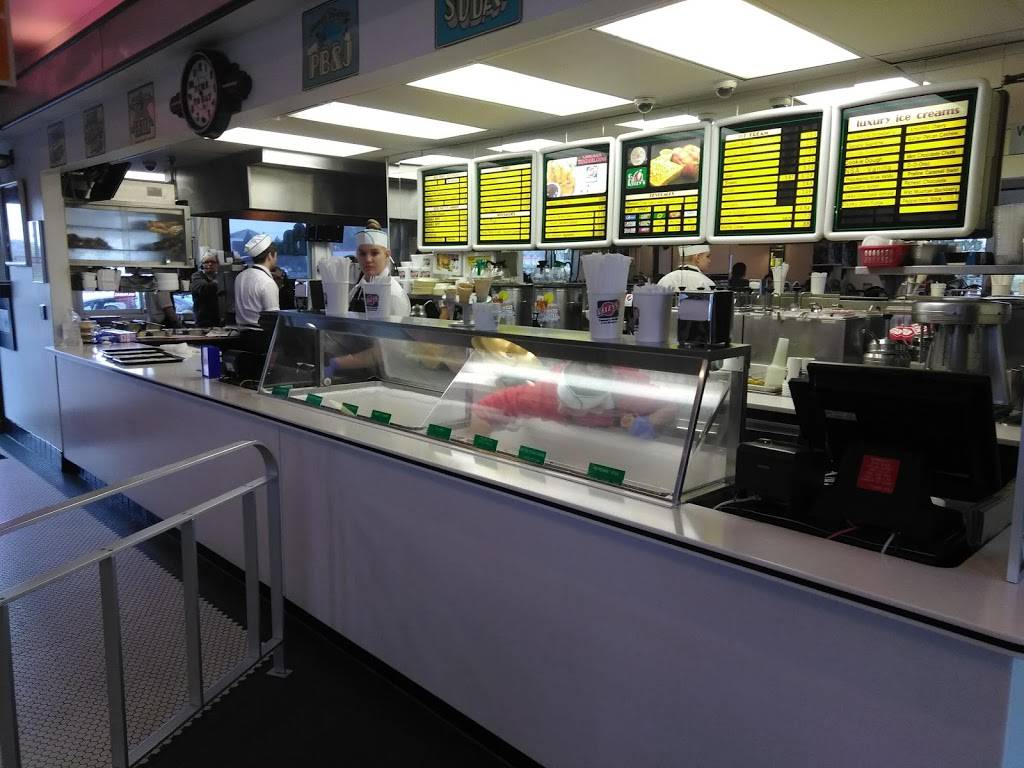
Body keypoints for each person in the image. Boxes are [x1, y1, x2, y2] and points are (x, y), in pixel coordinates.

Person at [347, 219, 412, 317]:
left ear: (387, 255)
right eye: (362, 253)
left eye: (374, 253)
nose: (368, 259)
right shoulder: (357, 289)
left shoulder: (393, 294)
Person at [234, 233, 280, 328]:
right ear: (270, 256)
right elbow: (272, 318)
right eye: (276, 255)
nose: (276, 259)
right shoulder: (267, 282)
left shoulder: (240, 277)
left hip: (242, 333)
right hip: (261, 333)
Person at [190, 253, 223, 327]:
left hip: (219, 319)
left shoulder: (219, 276)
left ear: (217, 264)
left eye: (213, 262)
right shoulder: (197, 276)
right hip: (203, 320)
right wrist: (218, 283)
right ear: (202, 265)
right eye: (206, 262)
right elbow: (204, 288)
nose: (210, 264)